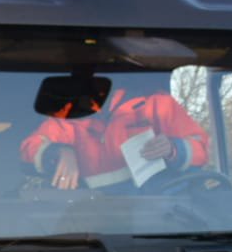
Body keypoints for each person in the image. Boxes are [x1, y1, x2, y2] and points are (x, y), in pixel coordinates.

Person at [21, 81, 209, 191]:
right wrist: (59, 152)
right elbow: (29, 147)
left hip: (160, 218)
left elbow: (200, 147)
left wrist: (173, 149)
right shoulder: (67, 120)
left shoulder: (156, 104)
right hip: (93, 221)